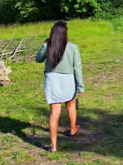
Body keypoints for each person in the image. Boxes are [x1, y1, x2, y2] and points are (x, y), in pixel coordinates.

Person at [35, 21, 84, 152]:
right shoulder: (73, 47)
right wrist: (80, 87)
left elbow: (38, 59)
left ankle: (54, 147)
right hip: (68, 80)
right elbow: (77, 68)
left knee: (54, 113)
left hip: (52, 80)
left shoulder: (47, 45)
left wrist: (45, 45)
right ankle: (73, 129)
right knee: (71, 105)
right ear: (65, 32)